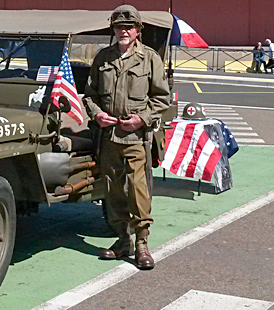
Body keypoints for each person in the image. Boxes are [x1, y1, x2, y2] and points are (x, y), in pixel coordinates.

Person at [83, 4, 170, 270]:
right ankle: (122, 240)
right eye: (119, 27)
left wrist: (141, 119)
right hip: (109, 138)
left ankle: (142, 243)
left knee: (137, 190)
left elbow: (161, 98)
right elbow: (90, 95)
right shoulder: (103, 58)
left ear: (138, 31)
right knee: (112, 189)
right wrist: (97, 115)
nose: (124, 31)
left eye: (129, 27)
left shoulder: (150, 59)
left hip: (135, 139)